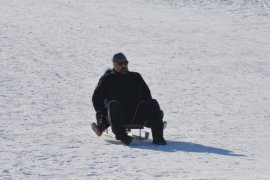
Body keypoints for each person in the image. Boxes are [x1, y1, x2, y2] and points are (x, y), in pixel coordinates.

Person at [92, 52, 166, 145]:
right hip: (118, 116)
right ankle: (123, 137)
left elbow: (147, 95)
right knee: (113, 104)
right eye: (120, 64)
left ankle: (159, 138)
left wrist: (153, 114)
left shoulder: (136, 77)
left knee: (153, 103)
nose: (124, 66)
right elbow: (96, 98)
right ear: (114, 65)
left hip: (136, 113)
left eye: (125, 63)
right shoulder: (107, 79)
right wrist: (102, 113)